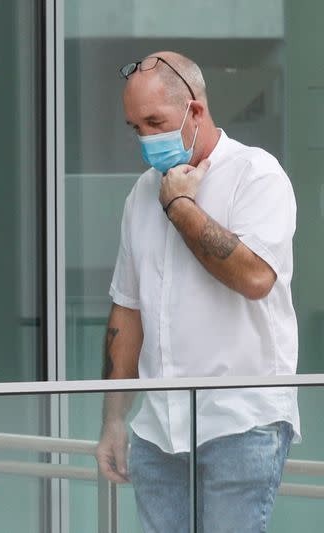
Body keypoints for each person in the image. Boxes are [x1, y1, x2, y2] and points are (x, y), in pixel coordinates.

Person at [95, 52, 299, 533]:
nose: (146, 139)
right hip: (157, 432)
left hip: (241, 424)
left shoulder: (257, 175)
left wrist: (181, 207)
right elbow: (126, 313)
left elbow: (254, 278)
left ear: (196, 112)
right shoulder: (141, 194)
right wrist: (113, 420)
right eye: (135, 127)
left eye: (155, 122)